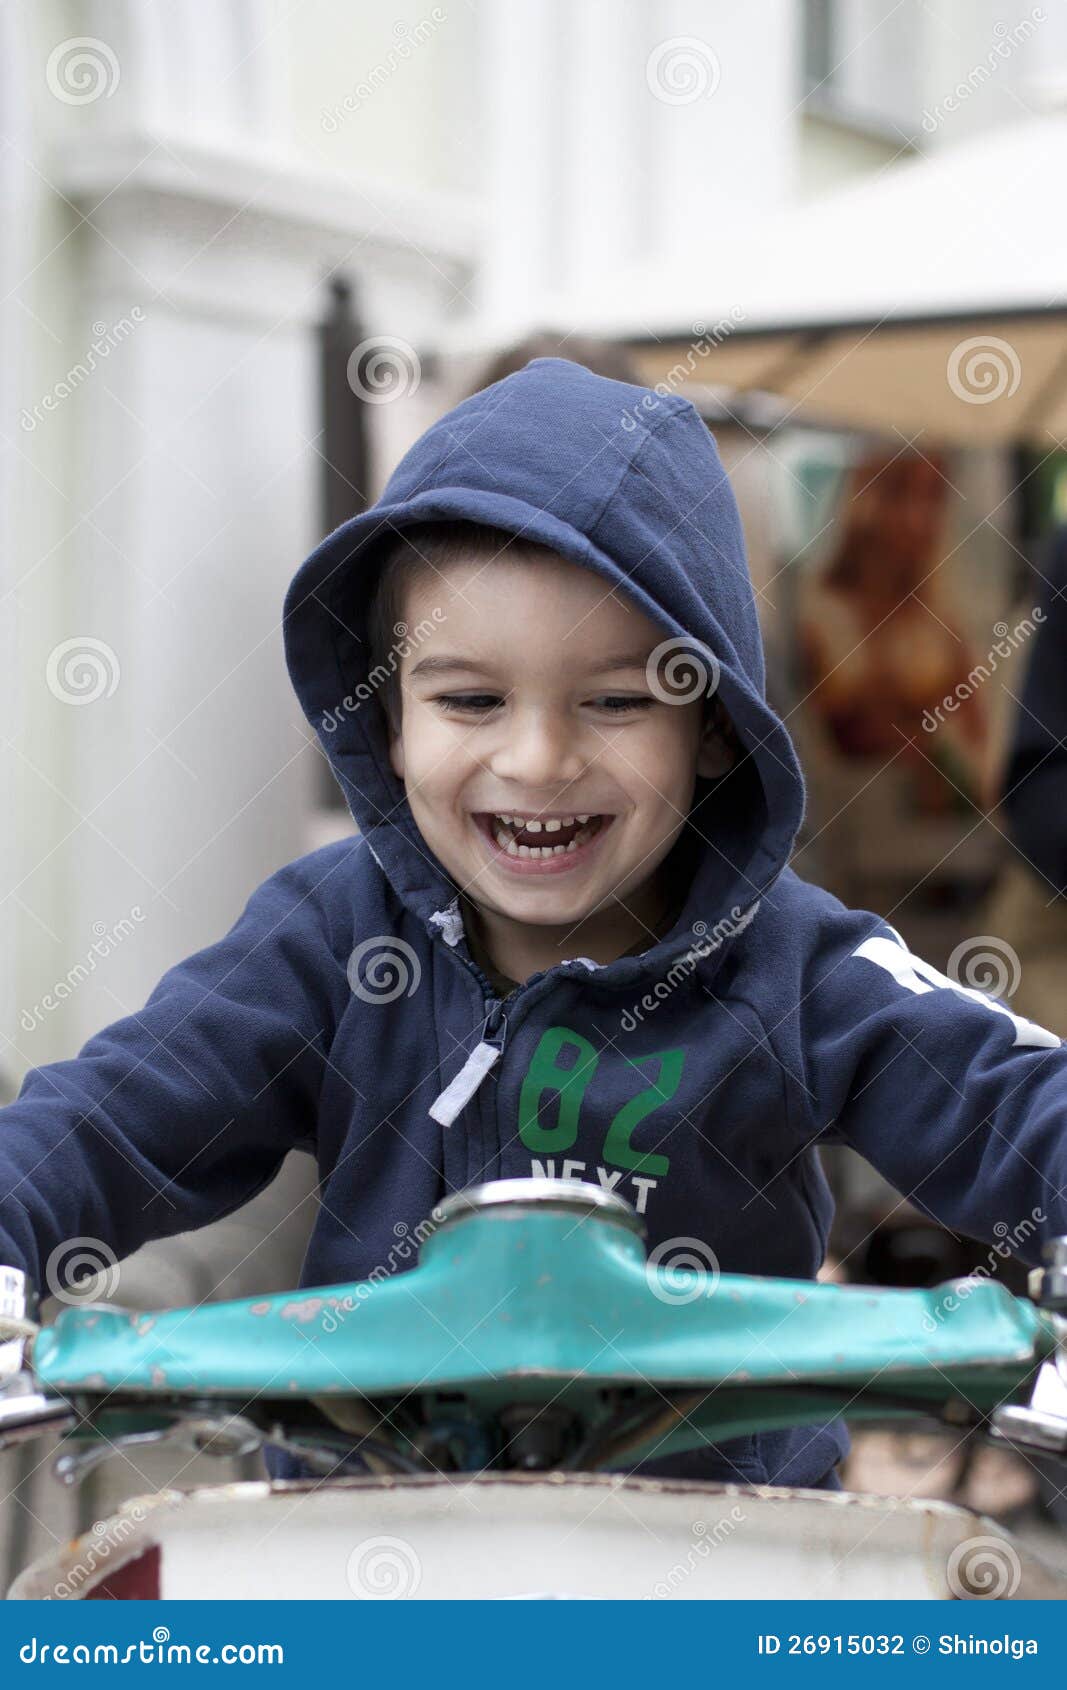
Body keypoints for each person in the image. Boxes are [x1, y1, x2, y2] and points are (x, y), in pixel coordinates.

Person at [1, 357, 1064, 1493]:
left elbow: (1010, 1098)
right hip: (361, 1548)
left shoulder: (796, 968)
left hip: (727, 1561)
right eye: (469, 699)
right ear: (388, 720)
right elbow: (107, 1118)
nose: (539, 759)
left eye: (614, 701)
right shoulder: (328, 939)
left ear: (713, 724)